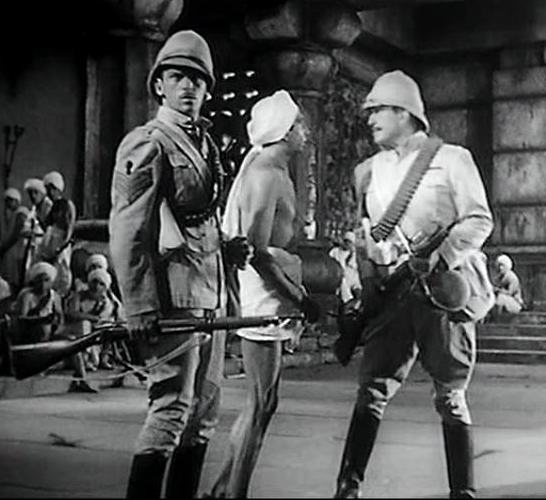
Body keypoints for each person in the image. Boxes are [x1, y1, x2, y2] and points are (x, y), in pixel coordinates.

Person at [333, 70, 494, 499]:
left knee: (451, 395)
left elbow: (479, 220)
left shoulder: (452, 160)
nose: (369, 119)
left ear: (404, 112)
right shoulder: (368, 172)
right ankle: (348, 487)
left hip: (440, 291)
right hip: (391, 291)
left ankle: (463, 492)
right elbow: (365, 231)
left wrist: (442, 256)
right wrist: (364, 266)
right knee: (371, 389)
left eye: (377, 110)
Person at [109, 30, 248, 498]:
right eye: (178, 77)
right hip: (172, 297)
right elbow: (129, 229)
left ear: (207, 89)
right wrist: (139, 305)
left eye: (198, 79)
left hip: (210, 293)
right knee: (170, 408)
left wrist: (229, 249)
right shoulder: (147, 143)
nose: (189, 86)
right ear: (159, 85)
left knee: (204, 413)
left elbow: (200, 218)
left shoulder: (205, 143)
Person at [210, 90, 320, 498]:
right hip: (265, 293)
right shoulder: (264, 175)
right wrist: (298, 296)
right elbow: (255, 253)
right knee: (260, 403)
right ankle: (233, 493)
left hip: (276, 290)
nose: (305, 131)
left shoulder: (274, 170)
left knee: (265, 402)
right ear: (285, 130)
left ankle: (222, 489)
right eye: (300, 124)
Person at [12, 262, 97, 393]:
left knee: (73, 342)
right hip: (30, 337)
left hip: (49, 335)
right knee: (41, 329)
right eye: (40, 280)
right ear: (34, 281)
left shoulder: (54, 296)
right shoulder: (27, 296)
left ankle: (81, 379)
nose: (43, 284)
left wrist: (56, 324)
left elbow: (60, 318)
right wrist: (41, 320)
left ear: (51, 282)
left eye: (46, 280)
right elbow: (21, 320)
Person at [36, 171, 76, 296]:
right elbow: (47, 225)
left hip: (61, 242)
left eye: (51, 189)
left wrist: (62, 245)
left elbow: (69, 227)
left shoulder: (67, 204)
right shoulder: (52, 206)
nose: (49, 193)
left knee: (62, 270)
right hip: (51, 242)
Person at [0, 188, 31, 290]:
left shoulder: (21, 213)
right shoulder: (14, 213)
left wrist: (5, 248)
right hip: (14, 251)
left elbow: (17, 234)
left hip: (18, 252)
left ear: (16, 200)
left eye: (9, 200)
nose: (7, 204)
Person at [23, 178, 53, 269]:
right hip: (35, 248)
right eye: (30, 193)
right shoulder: (33, 210)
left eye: (36, 192)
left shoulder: (49, 207)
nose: (33, 196)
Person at [330, 230, 363, 305]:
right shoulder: (335, 251)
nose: (347, 244)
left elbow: (354, 268)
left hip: (352, 276)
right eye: (346, 241)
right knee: (343, 282)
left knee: (358, 289)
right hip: (338, 276)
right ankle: (348, 301)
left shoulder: (353, 254)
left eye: (350, 242)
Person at [491, 254, 524, 318]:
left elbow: (510, 292)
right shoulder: (498, 278)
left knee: (501, 298)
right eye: (499, 265)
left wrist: (498, 290)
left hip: (515, 303)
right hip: (502, 304)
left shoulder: (512, 277)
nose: (500, 268)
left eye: (502, 265)